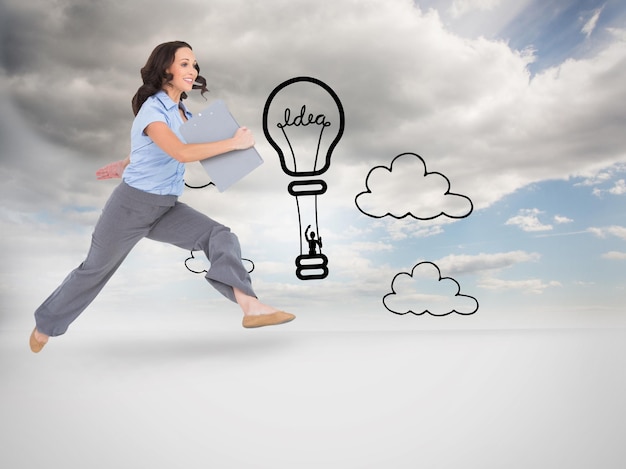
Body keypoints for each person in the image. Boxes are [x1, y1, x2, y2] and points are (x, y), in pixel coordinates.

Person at [29, 41, 295, 353]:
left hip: (166, 207)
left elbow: (163, 149)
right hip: (130, 206)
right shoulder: (152, 110)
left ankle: (250, 306)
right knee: (94, 270)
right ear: (165, 68)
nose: (192, 70)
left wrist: (125, 162)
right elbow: (180, 152)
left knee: (219, 235)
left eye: (194, 64)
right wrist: (233, 144)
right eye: (184, 63)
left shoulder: (183, 111)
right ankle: (45, 324)